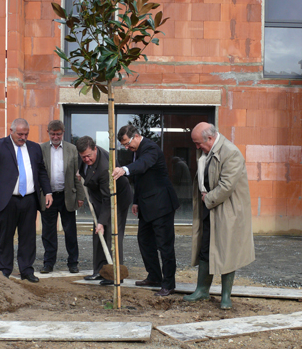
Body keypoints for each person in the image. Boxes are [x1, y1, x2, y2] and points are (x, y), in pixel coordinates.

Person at [183, 122, 255, 309]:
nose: (196, 147)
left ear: (210, 138)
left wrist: (208, 198)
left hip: (227, 211)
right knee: (205, 247)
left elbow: (226, 186)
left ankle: (225, 296)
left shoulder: (231, 152)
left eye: (198, 143)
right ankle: (202, 290)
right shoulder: (207, 151)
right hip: (210, 209)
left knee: (227, 251)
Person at [0, 118, 53, 283]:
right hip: (8, 199)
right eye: (20, 134)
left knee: (28, 237)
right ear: (11, 131)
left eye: (26, 134)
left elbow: (41, 171)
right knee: (6, 236)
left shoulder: (34, 148)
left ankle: (26, 270)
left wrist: (48, 192)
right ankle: (5, 270)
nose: (23, 137)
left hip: (29, 199)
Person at [112, 125, 179, 296]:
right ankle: (155, 276)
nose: (126, 148)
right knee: (144, 241)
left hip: (162, 204)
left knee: (164, 245)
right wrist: (136, 201)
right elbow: (140, 178)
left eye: (127, 143)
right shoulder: (136, 151)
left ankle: (169, 284)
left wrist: (124, 169)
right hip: (146, 205)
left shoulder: (150, 148)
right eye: (124, 145)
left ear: (135, 136)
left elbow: (142, 165)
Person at [77, 136, 132, 286]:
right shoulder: (83, 156)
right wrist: (82, 173)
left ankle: (115, 274)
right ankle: (100, 271)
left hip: (116, 199)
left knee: (112, 234)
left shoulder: (104, 168)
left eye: (89, 156)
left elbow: (109, 200)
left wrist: (102, 222)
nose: (86, 159)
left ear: (95, 149)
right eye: (83, 157)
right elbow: (84, 171)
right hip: (100, 197)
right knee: (98, 234)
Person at [39, 120, 85, 274]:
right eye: (53, 134)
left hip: (67, 197)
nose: (55, 136)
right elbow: (38, 173)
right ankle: (48, 263)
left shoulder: (72, 150)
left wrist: (80, 196)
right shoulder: (41, 149)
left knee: (70, 232)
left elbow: (77, 176)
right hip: (48, 197)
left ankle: (73, 263)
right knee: (48, 233)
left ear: (63, 133)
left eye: (58, 134)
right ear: (48, 133)